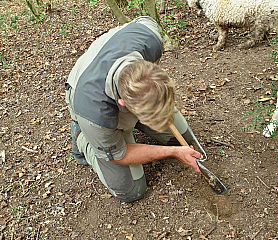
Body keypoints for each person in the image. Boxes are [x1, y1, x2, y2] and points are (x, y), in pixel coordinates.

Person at [65, 16, 202, 203]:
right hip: (85, 103)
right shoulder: (95, 112)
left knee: (184, 140)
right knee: (131, 190)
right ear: (124, 105)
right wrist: (173, 152)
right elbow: (119, 156)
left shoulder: (150, 37)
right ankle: (82, 138)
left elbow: (142, 21)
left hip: (120, 85)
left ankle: (142, 118)